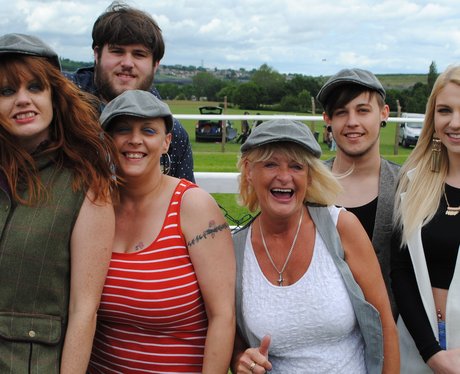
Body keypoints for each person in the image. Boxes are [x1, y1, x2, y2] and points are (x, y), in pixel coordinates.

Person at [231, 119, 399, 373]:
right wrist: (240, 360)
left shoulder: (341, 228)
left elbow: (384, 323)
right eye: (270, 164)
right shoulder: (234, 250)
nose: (284, 176)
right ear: (249, 171)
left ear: (309, 177)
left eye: (297, 166)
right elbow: (234, 342)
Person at [88, 90, 235, 373]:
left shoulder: (193, 207)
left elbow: (223, 317)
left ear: (166, 142)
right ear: (106, 140)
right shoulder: (94, 204)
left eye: (148, 130)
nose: (134, 139)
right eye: (122, 130)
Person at [0, 33, 116, 372]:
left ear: (55, 96)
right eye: (6, 91)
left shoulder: (87, 185)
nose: (22, 100)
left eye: (34, 87)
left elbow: (84, 311)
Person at [64, 1, 195, 182]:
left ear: (155, 64)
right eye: (117, 51)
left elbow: (181, 197)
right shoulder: (58, 101)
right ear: (97, 54)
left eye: (139, 54)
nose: (127, 63)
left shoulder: (172, 132)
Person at [391, 65, 460, 373]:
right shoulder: (413, 182)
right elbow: (402, 270)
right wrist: (432, 353)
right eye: (445, 110)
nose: (455, 123)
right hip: (417, 346)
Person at [317, 68, 400, 317]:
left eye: (363, 110)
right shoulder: (308, 186)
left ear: (383, 114)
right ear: (328, 119)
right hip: (324, 336)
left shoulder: (407, 186)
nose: (352, 121)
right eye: (341, 112)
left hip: (394, 335)